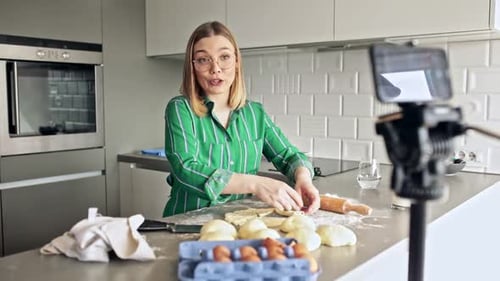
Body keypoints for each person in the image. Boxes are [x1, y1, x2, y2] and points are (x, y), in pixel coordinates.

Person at [163, 21, 320, 217]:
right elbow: (185, 169)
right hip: (187, 224)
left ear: (237, 62)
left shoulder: (255, 113)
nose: (215, 68)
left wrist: (303, 178)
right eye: (203, 59)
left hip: (239, 226)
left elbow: (289, 157)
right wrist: (256, 184)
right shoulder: (180, 109)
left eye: (225, 57)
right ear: (192, 67)